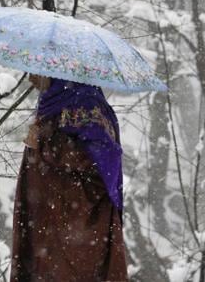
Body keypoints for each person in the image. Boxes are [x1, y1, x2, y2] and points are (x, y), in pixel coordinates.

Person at [9, 74, 128, 281]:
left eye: (36, 69)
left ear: (54, 71)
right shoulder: (53, 102)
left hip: (73, 235)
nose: (31, 78)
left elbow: (100, 168)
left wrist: (46, 143)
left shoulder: (87, 106)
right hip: (47, 227)